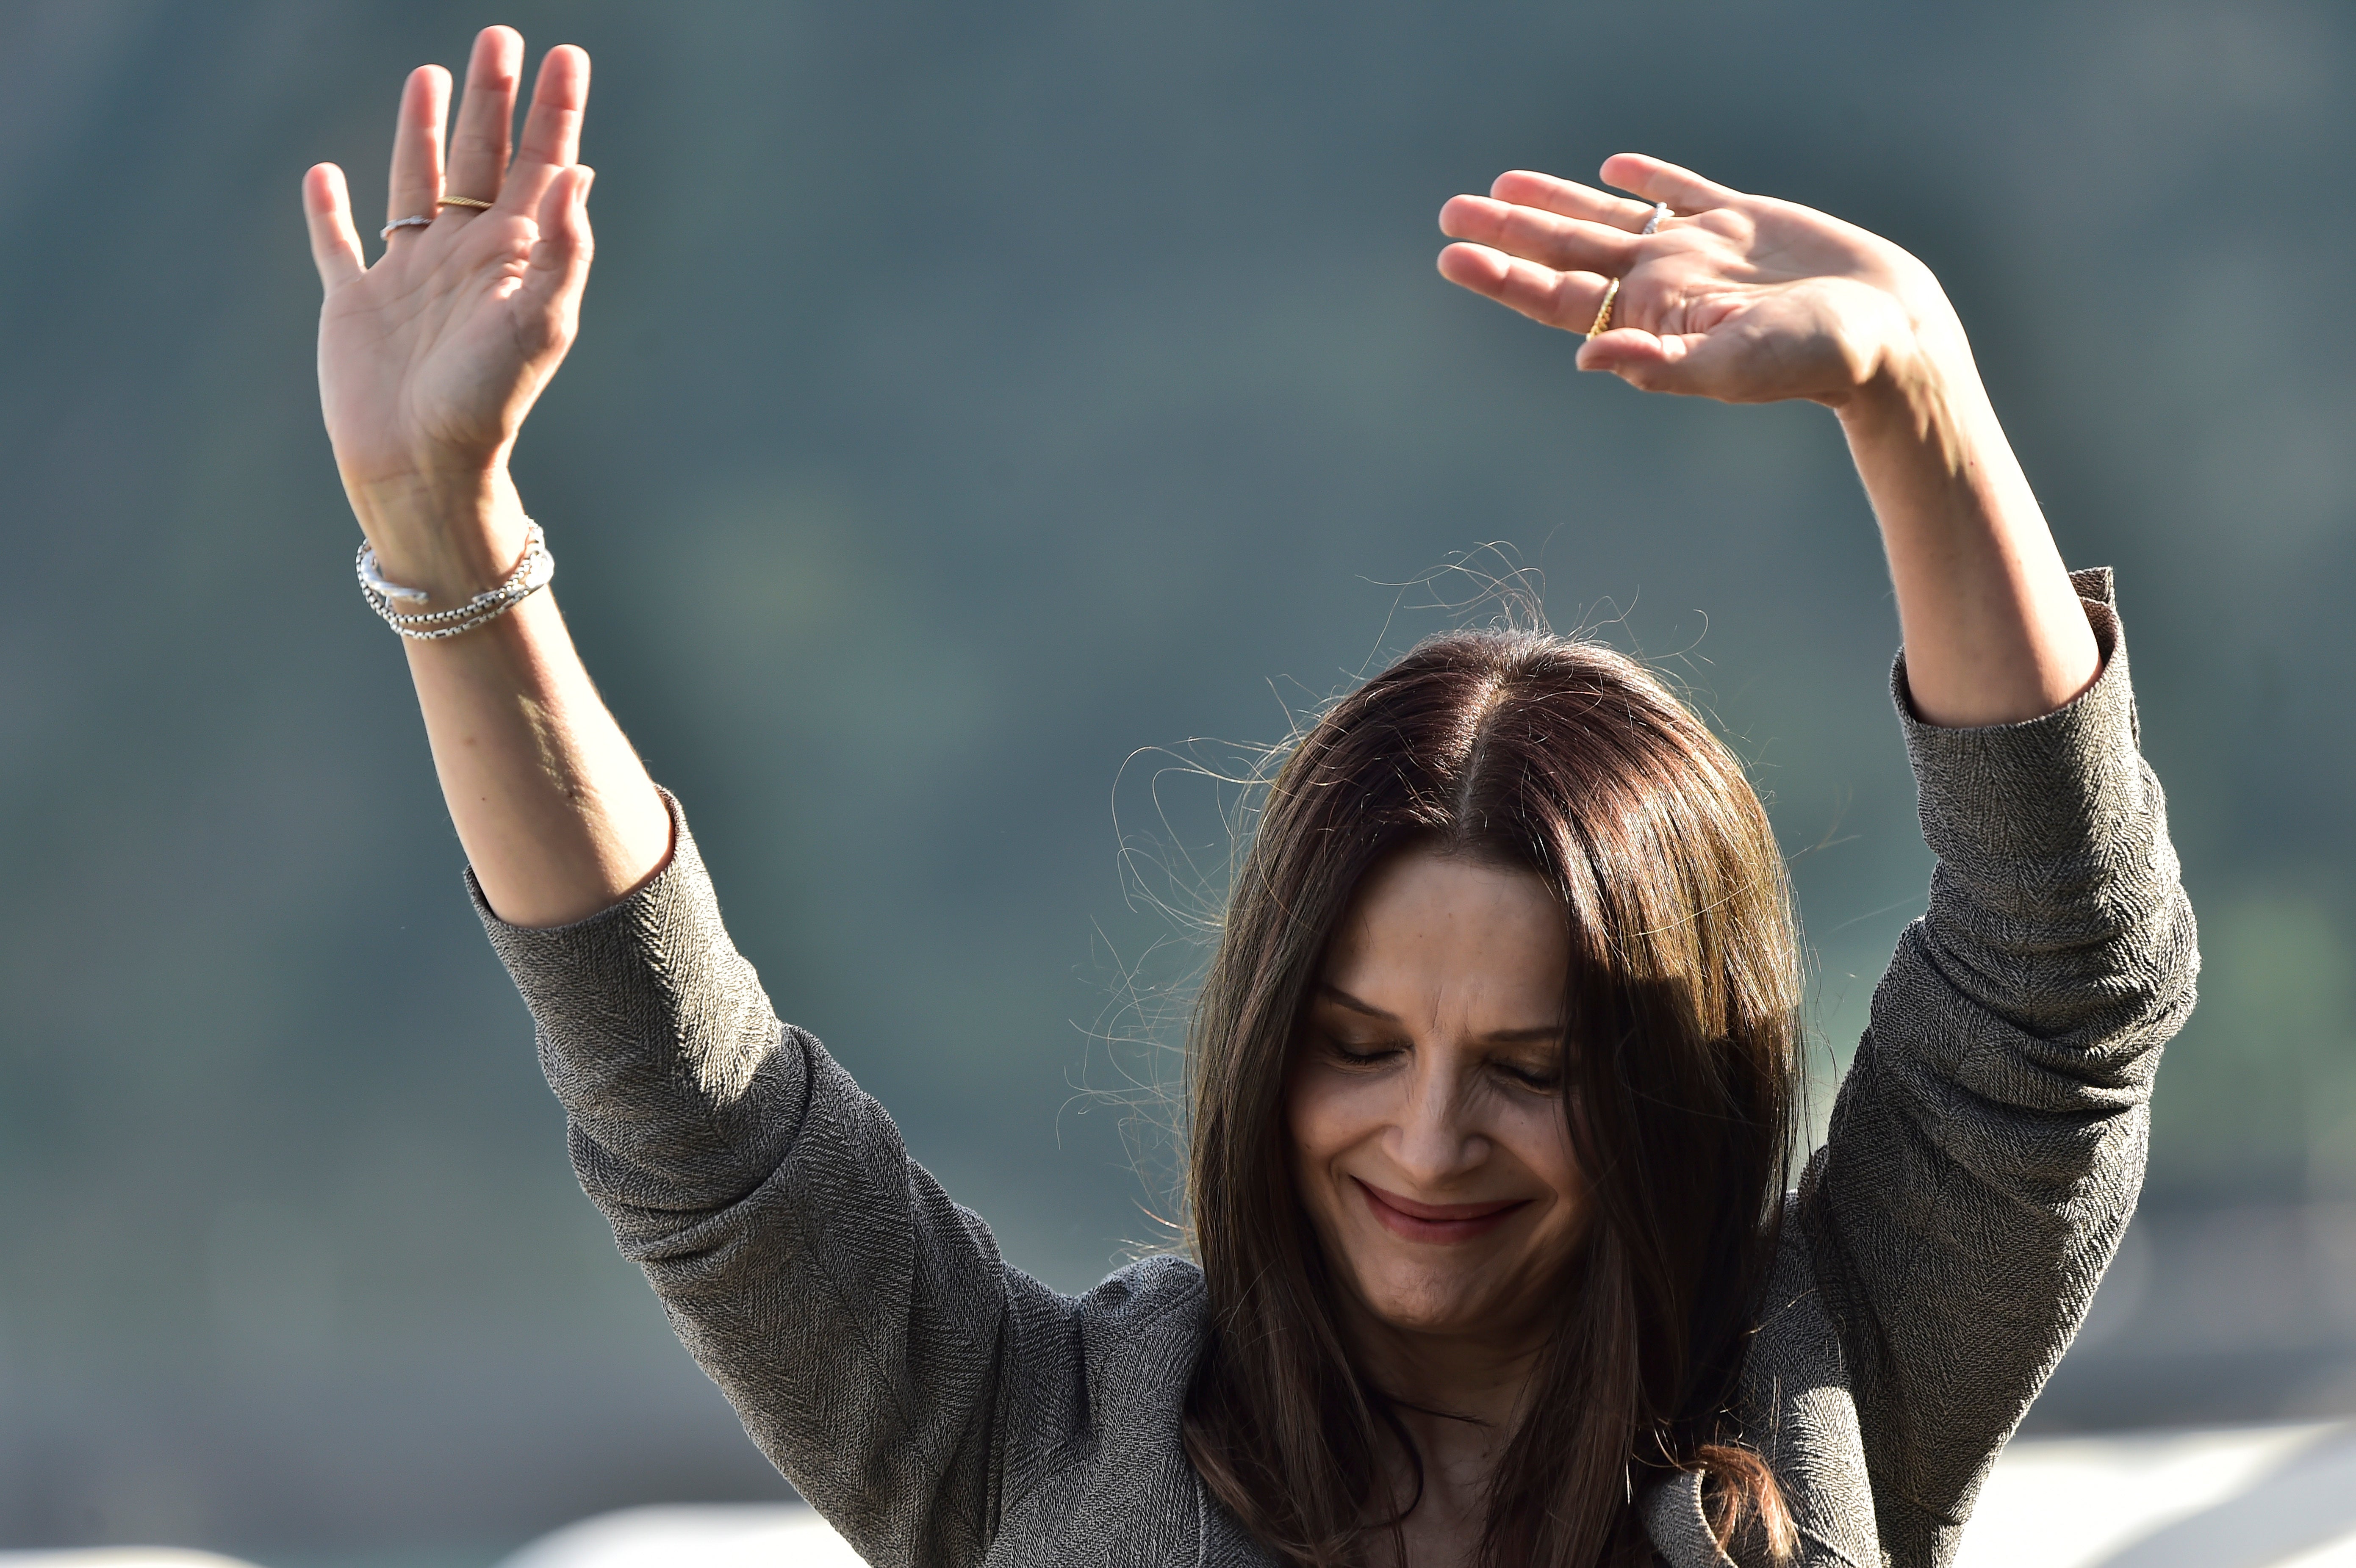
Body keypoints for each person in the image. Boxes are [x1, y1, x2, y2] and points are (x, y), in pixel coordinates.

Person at [299, 26, 2196, 1568]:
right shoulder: (1030, 1445)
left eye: (1526, 1065)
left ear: (1660, 1087)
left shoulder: (1825, 1384)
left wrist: (1921, 403)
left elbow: (2056, 990)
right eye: (1356, 1041)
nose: (1424, 1136)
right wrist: (451, 546)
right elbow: (695, 1112)